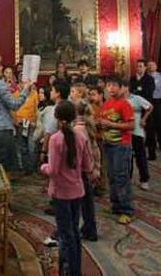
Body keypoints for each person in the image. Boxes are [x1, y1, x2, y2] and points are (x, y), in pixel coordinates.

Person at [40, 100, 92, 276]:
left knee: (64, 234)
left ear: (58, 119)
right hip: (77, 191)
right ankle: (75, 270)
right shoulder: (81, 137)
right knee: (74, 233)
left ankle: (67, 271)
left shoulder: (55, 139)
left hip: (61, 193)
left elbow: (53, 170)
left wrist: (43, 167)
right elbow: (87, 166)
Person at [99, 76, 135, 224]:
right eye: (109, 85)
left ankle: (127, 210)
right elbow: (105, 122)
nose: (111, 88)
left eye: (114, 85)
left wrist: (110, 124)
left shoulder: (124, 104)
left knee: (121, 177)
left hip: (121, 145)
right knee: (112, 176)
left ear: (121, 88)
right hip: (108, 144)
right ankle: (115, 205)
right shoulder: (107, 103)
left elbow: (131, 126)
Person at [73, 99, 100, 242]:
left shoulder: (77, 130)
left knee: (78, 203)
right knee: (87, 202)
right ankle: (90, 229)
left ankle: (86, 229)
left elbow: (83, 152)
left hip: (83, 170)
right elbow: (94, 149)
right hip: (88, 168)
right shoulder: (86, 126)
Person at [123, 80, 153, 190]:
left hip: (137, 131)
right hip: (124, 132)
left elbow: (150, 107)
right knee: (127, 157)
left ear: (126, 87)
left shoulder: (136, 98)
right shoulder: (118, 100)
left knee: (140, 156)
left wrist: (143, 119)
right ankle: (128, 178)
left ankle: (144, 180)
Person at [130, 59, 156, 159]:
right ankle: (137, 151)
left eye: (141, 66)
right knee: (136, 131)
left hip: (147, 108)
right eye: (137, 66)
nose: (138, 68)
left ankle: (152, 153)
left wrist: (138, 94)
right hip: (135, 109)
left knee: (149, 131)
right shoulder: (132, 78)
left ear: (145, 67)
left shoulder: (149, 79)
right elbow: (131, 91)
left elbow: (148, 93)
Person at [13, 82, 38, 174]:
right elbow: (14, 109)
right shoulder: (15, 94)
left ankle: (32, 167)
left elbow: (36, 108)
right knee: (22, 146)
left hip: (30, 123)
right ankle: (24, 167)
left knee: (31, 145)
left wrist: (35, 120)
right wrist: (15, 120)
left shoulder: (34, 94)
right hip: (20, 123)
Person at [147, 60, 161, 151]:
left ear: (156, 66)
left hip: (158, 101)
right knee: (149, 125)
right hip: (148, 102)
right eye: (149, 65)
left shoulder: (160, 76)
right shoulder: (146, 77)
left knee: (159, 123)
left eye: (153, 65)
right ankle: (150, 144)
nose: (151, 66)